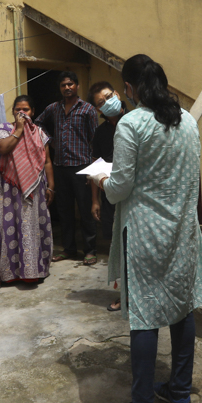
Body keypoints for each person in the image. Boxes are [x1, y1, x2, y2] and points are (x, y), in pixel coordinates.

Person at [89, 55, 202, 403]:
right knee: (182, 307)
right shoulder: (188, 121)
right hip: (182, 231)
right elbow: (190, 179)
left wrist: (100, 180)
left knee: (143, 316)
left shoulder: (131, 123)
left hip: (144, 233)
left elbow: (120, 188)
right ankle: (180, 393)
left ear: (130, 88)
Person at [0, 95, 56, 291]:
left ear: (32, 112)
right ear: (13, 112)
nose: (22, 113)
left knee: (32, 227)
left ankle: (33, 271)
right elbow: (3, 148)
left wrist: (51, 186)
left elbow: (47, 161)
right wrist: (18, 130)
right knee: (10, 226)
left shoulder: (40, 133)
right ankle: (8, 273)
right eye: (18, 109)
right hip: (11, 190)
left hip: (35, 190)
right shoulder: (4, 129)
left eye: (26, 110)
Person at [36, 72, 101, 265]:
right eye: (63, 85)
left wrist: (93, 166)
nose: (67, 88)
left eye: (70, 84)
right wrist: (50, 141)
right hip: (60, 167)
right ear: (60, 88)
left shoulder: (87, 109)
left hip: (82, 166)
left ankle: (90, 250)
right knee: (64, 211)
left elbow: (94, 139)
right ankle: (69, 249)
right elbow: (38, 123)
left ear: (77, 86)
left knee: (85, 209)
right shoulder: (53, 109)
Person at [89, 81, 127, 310]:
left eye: (108, 97)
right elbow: (96, 166)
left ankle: (141, 293)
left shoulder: (136, 121)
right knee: (120, 245)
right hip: (111, 196)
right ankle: (125, 293)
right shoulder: (101, 133)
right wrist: (95, 200)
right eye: (101, 103)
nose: (106, 103)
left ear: (118, 94)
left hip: (135, 195)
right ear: (98, 110)